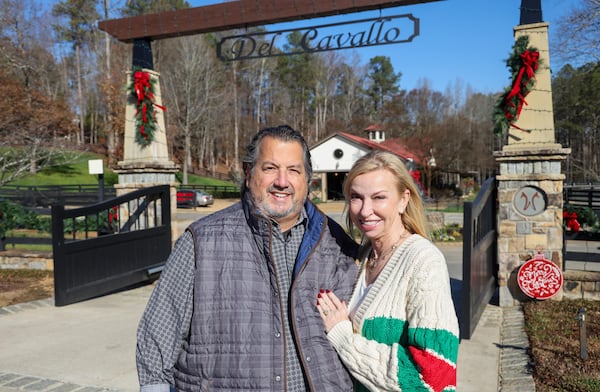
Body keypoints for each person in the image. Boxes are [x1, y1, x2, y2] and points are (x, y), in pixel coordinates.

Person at [136, 125, 359, 391]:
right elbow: (159, 333)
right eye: (270, 168)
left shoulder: (334, 240)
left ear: (307, 180)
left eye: (293, 170)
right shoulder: (201, 241)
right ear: (248, 173)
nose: (282, 181)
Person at [316, 150, 459, 392]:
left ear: (403, 200)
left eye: (379, 197)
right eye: (356, 197)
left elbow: (434, 376)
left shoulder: (423, 261)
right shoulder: (362, 259)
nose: (364, 210)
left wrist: (343, 338)